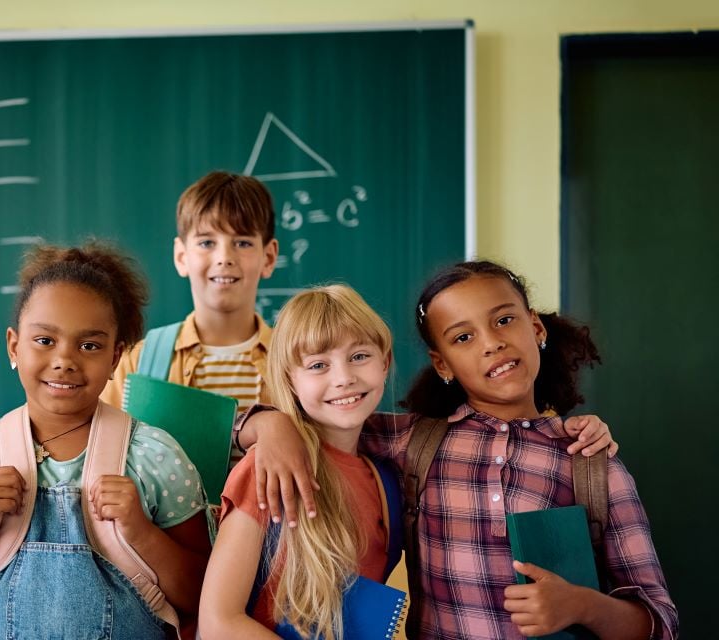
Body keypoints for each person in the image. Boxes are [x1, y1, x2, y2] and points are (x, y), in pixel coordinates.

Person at [240, 261, 676, 639]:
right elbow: (316, 418)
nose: (491, 343)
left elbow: (660, 621)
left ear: (536, 327)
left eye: (504, 321)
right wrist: (269, 422)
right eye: (463, 338)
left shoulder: (590, 462)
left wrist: (584, 606)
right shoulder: (413, 442)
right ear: (442, 363)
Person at [0, 242, 212, 638]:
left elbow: (202, 597)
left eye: (89, 345)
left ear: (115, 357)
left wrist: (140, 531)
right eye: (44, 341)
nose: (65, 360)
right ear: (13, 346)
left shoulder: (154, 456)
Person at [200, 285, 402, 639]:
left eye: (359, 357)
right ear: (291, 381)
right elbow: (219, 623)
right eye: (318, 365)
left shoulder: (386, 481)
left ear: (384, 362)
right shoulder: (266, 469)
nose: (344, 378)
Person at [101, 171, 280, 473]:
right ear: (181, 256)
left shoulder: (295, 361)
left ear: (269, 257)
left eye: (243, 243)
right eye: (207, 242)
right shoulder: (138, 362)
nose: (224, 257)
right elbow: (103, 457)